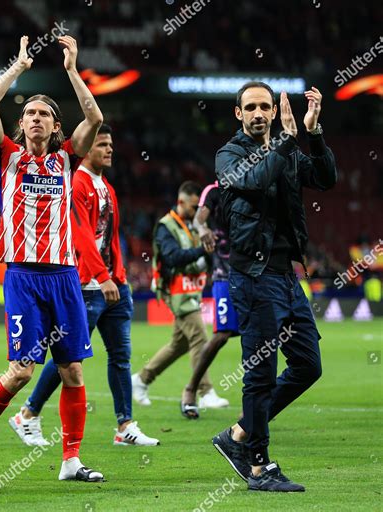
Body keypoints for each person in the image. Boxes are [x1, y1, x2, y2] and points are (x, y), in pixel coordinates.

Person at [0, 35, 105, 483]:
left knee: (72, 369)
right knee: (21, 370)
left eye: (45, 115)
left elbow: (95, 116)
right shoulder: (6, 157)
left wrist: (73, 69)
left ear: (57, 128)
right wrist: (18, 66)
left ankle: (71, 461)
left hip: (65, 276)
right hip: (22, 277)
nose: (36, 119)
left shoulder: (66, 160)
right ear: (22, 123)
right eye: (30, 113)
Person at [212, 81, 337, 491]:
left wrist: (314, 132)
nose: (259, 113)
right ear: (238, 114)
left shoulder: (288, 151)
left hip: (285, 275)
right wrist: (285, 140)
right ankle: (259, 469)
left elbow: (325, 178)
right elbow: (255, 180)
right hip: (252, 276)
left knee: (308, 365)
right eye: (251, 107)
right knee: (260, 374)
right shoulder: (229, 156)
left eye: (265, 106)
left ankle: (238, 435)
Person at [9, 124, 159, 447]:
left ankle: (125, 426)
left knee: (121, 357)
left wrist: (117, 275)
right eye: (103, 144)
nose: (109, 150)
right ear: (87, 148)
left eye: (111, 145)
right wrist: (101, 276)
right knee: (68, 356)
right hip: (88, 285)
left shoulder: (106, 185)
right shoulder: (76, 182)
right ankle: (28, 413)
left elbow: (110, 237)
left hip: (114, 284)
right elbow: (81, 235)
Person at [132, 181, 229, 411]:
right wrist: (202, 251)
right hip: (175, 290)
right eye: (193, 207)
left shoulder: (194, 226)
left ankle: (141, 379)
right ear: (181, 201)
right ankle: (205, 392)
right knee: (199, 337)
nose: (197, 212)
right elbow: (172, 257)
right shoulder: (166, 227)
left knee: (179, 344)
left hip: (190, 289)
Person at [180, 181, 240, 418]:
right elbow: (198, 220)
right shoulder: (214, 191)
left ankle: (254, 404)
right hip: (224, 272)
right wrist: (203, 230)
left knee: (259, 337)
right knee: (221, 335)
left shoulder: (257, 185)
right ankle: (191, 389)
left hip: (255, 272)